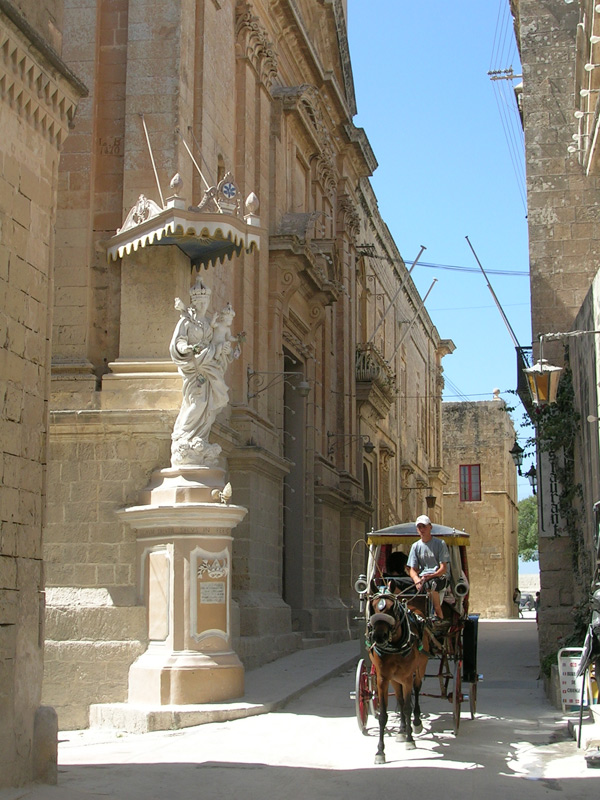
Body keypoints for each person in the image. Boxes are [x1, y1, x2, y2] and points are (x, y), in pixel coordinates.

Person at [170, 278, 238, 467]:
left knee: (208, 406)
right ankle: (183, 435)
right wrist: (188, 348)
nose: (202, 304)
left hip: (208, 366)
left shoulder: (208, 322)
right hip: (195, 367)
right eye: (198, 301)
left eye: (205, 302)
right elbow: (179, 342)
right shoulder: (186, 321)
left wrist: (222, 350)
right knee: (197, 402)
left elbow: (213, 340)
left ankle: (199, 437)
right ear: (193, 302)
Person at [407, 515, 450, 620]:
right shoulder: (415, 546)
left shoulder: (440, 544)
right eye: (419, 527)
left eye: (424, 526)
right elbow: (412, 569)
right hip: (422, 578)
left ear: (430, 527)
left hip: (439, 577)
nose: (422, 530)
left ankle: (438, 612)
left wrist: (431, 576)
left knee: (431, 584)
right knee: (397, 583)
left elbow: (443, 568)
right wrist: (416, 579)